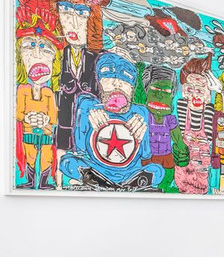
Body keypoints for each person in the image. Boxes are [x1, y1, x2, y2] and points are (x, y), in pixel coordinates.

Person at [58, 52, 164, 190]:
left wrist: (143, 130)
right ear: (100, 82)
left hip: (130, 172)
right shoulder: (87, 104)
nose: (117, 84)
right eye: (109, 77)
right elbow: (80, 147)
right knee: (66, 162)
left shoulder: (140, 112)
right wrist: (85, 113)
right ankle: (99, 181)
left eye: (125, 79)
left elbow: (146, 154)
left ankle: (121, 183)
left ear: (132, 87)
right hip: (97, 169)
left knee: (158, 171)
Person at [52, 0, 108, 187]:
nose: (72, 24)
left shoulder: (99, 61)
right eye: (65, 12)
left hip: (89, 137)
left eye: (81, 15)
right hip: (61, 133)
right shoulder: (55, 56)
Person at [14, 10, 62, 188]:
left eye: (45, 49)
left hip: (46, 133)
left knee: (47, 157)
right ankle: (30, 181)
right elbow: (18, 113)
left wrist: (45, 120)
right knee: (30, 155)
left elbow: (54, 116)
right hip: (28, 132)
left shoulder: (49, 92)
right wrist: (28, 118)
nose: (37, 55)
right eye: (29, 46)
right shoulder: (22, 90)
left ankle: (43, 182)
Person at [170, 56, 221, 195]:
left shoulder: (210, 112)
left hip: (202, 170)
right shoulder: (181, 107)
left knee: (201, 189)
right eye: (190, 89)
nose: (195, 96)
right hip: (183, 168)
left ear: (207, 93)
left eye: (200, 90)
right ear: (184, 91)